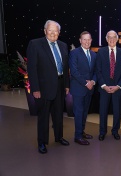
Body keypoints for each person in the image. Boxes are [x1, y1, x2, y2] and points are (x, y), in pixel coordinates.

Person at [27, 20, 70, 154]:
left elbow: (65, 67)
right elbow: (32, 68)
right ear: (45, 31)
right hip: (43, 88)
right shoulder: (35, 44)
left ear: (59, 33)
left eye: (55, 31)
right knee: (43, 116)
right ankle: (42, 142)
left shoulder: (63, 45)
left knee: (58, 115)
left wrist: (66, 85)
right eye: (50, 30)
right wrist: (35, 89)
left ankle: (59, 137)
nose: (53, 33)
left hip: (60, 85)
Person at [96, 30, 121, 141]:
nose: (112, 39)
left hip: (117, 88)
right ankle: (102, 132)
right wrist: (104, 85)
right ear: (106, 38)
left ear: (117, 39)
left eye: (114, 37)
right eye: (110, 37)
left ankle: (115, 131)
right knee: (103, 110)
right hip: (104, 87)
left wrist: (118, 86)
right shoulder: (100, 52)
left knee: (117, 111)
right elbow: (98, 71)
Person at [69, 31, 97, 145]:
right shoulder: (74, 53)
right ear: (80, 40)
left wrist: (93, 81)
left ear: (91, 41)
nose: (86, 41)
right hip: (79, 88)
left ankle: (82, 132)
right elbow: (74, 71)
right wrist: (86, 83)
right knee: (79, 112)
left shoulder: (94, 54)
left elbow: (96, 71)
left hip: (89, 89)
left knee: (85, 112)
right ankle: (78, 136)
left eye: (88, 39)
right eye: (84, 39)